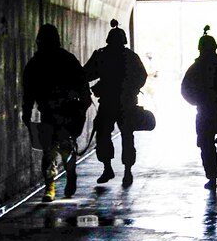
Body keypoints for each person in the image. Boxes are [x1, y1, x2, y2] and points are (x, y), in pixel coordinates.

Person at [22, 24, 92, 201]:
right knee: (51, 152)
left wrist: (27, 112)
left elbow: (82, 84)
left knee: (60, 150)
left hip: (62, 113)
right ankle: (52, 186)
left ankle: (63, 180)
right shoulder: (54, 61)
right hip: (52, 114)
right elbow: (29, 90)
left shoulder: (42, 62)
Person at [83, 19, 148, 186]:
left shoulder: (102, 55)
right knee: (126, 136)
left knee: (104, 135)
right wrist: (131, 88)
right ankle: (126, 171)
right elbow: (142, 76)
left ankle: (108, 168)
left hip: (109, 103)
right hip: (126, 103)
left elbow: (86, 74)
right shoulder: (130, 57)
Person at [181, 25, 217, 190]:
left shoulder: (195, 69)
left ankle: (212, 178)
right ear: (215, 48)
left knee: (206, 145)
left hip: (205, 113)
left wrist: (198, 103)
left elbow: (185, 90)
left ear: (200, 49)